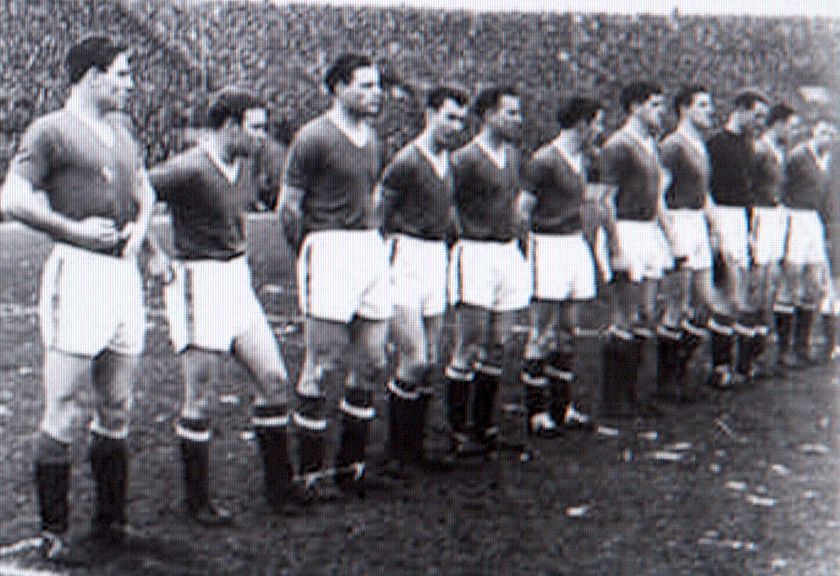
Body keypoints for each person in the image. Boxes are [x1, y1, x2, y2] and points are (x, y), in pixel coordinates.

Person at [0, 35, 156, 563]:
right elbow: (12, 198)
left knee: (118, 404)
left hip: (122, 277)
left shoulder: (122, 128)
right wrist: (73, 231)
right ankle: (54, 534)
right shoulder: (50, 130)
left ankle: (111, 523)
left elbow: (144, 188)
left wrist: (142, 235)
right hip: (79, 274)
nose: (129, 84)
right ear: (92, 76)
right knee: (64, 406)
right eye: (122, 74)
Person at [148, 87, 303, 524]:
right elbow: (132, 194)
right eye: (255, 128)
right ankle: (197, 502)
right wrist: (153, 252)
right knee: (200, 398)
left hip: (237, 280)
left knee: (274, 380)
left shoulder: (245, 165)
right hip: (199, 283)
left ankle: (280, 489)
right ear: (230, 126)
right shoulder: (189, 168)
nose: (261, 136)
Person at [279, 53, 389, 496]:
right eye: (365, 85)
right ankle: (309, 471)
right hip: (328, 248)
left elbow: (372, 194)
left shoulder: (373, 138)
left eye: (377, 85)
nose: (375, 93)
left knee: (373, 361)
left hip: (368, 247)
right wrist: (311, 251)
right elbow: (289, 207)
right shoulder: (313, 137)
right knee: (321, 364)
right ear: (338, 88)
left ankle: (350, 465)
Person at [374, 85, 469, 471]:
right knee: (413, 358)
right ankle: (397, 451)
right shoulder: (407, 161)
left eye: (461, 120)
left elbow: (447, 212)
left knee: (429, 360)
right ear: (430, 114)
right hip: (405, 257)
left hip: (435, 258)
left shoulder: (449, 161)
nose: (456, 127)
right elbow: (378, 213)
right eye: (449, 117)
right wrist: (381, 260)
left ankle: (416, 446)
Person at [444, 85, 532, 455]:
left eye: (518, 112)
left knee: (499, 344)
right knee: (469, 344)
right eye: (510, 112)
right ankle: (456, 431)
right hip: (476, 253)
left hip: (506, 253)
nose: (517, 120)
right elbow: (448, 205)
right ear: (488, 116)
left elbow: (514, 205)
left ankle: (482, 426)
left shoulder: (512, 155)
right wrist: (463, 239)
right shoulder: (464, 159)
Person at [517, 96, 604, 435]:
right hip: (548, 246)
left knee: (568, 330)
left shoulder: (585, 159)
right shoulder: (544, 161)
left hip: (573, 245)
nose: (599, 130)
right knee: (542, 331)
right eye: (596, 123)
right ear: (582, 124)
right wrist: (527, 256)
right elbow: (523, 211)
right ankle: (537, 413)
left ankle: (562, 407)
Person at [599, 81, 672, 417]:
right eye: (654, 105)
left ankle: (633, 394)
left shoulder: (651, 144)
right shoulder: (618, 145)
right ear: (634, 107)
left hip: (648, 231)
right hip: (626, 230)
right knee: (624, 316)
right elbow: (605, 202)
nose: (661, 112)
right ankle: (614, 399)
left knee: (646, 313)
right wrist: (616, 248)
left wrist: (668, 237)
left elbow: (657, 199)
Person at [657, 85, 727, 401]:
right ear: (684, 109)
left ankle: (681, 368)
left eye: (709, 105)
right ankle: (667, 381)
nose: (710, 111)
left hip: (697, 223)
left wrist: (715, 228)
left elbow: (704, 192)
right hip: (679, 221)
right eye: (702, 105)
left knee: (705, 304)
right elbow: (658, 193)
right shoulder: (672, 145)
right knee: (677, 305)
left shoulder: (700, 145)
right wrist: (671, 235)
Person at [706, 89, 770, 388]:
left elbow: (750, 189)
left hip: (744, 218)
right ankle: (719, 367)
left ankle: (742, 365)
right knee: (726, 295)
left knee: (746, 292)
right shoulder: (716, 143)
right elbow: (706, 188)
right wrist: (714, 229)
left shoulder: (749, 145)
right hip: (722, 215)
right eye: (756, 115)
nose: (759, 122)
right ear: (741, 109)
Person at [779, 120, 838, 367]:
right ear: (814, 132)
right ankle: (784, 350)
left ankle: (802, 346)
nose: (827, 138)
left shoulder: (829, 161)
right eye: (823, 132)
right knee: (791, 283)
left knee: (814, 285)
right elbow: (782, 189)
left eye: (832, 135)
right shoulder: (797, 156)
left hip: (814, 221)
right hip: (795, 217)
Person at [751, 103, 801, 373]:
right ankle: (751, 355)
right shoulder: (759, 149)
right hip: (761, 215)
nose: (792, 132)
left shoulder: (780, 151)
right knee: (759, 284)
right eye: (790, 127)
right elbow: (749, 186)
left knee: (774, 283)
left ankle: (767, 352)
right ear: (778, 124)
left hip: (777, 216)